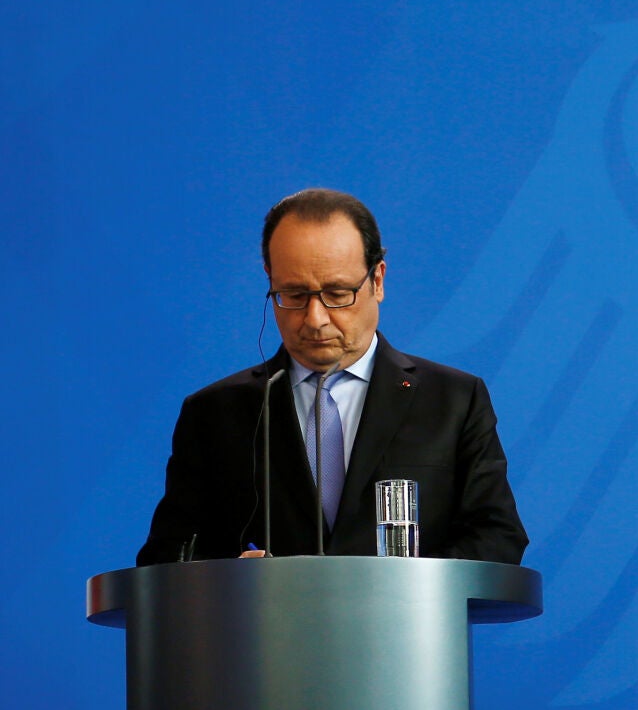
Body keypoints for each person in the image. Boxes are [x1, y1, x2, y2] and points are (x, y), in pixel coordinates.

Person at [137, 188, 528, 566]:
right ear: (270, 280)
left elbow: (497, 537)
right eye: (293, 295)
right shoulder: (214, 413)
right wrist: (233, 578)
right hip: (265, 615)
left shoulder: (454, 401)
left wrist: (403, 590)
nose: (315, 319)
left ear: (377, 280)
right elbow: (167, 557)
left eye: (338, 294)